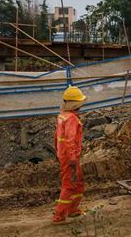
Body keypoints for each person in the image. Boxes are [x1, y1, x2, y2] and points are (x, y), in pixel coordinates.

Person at [52, 86, 87, 225]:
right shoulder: (71, 118)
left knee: (78, 183)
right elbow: (70, 139)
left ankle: (73, 209)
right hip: (70, 157)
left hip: (64, 155)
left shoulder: (62, 116)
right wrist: (72, 158)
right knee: (69, 185)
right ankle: (59, 216)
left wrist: (58, 152)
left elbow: (57, 138)